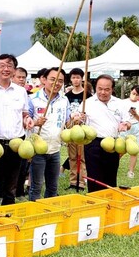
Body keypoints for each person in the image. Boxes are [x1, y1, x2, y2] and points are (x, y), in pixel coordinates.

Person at [0, 54, 34, 207]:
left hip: (17, 143)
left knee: (11, 187)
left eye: (9, 65)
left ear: (14, 70)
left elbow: (25, 113)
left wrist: (28, 119)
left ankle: (8, 219)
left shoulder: (20, 91)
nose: (5, 69)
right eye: (2, 65)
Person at [79, 75, 130, 192]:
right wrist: (78, 118)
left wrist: (125, 124)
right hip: (93, 144)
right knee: (94, 178)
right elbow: (77, 122)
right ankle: (96, 203)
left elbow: (128, 122)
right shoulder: (87, 103)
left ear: (112, 89)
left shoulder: (120, 103)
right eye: (100, 88)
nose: (103, 92)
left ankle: (110, 204)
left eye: (107, 89)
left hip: (113, 144)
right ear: (95, 88)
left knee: (111, 177)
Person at [28, 68, 71, 201]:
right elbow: (25, 123)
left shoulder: (64, 100)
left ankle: (49, 215)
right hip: (37, 151)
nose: (57, 83)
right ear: (44, 79)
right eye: (53, 79)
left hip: (55, 150)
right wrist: (35, 122)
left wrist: (75, 120)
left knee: (53, 187)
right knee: (36, 186)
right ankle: (34, 215)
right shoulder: (32, 99)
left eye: (60, 81)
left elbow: (67, 124)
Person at [63, 68, 91, 189]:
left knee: (82, 157)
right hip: (71, 129)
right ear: (70, 79)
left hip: (83, 129)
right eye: (73, 77)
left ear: (82, 79)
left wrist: (84, 117)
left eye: (78, 77)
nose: (76, 80)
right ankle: (73, 182)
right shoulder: (66, 96)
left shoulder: (88, 95)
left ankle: (81, 182)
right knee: (72, 157)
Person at [12, 66, 31, 201]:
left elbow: (25, 113)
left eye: (23, 77)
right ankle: (6, 192)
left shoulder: (23, 93)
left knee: (21, 166)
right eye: (19, 77)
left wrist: (27, 119)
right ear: (12, 77)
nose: (21, 80)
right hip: (6, 136)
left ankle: (18, 191)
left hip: (21, 135)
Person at [121, 85, 139, 178]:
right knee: (121, 149)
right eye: (133, 93)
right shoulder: (122, 103)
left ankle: (131, 171)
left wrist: (135, 114)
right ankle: (112, 166)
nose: (135, 96)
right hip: (124, 126)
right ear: (130, 92)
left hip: (136, 127)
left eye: (137, 95)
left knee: (134, 151)